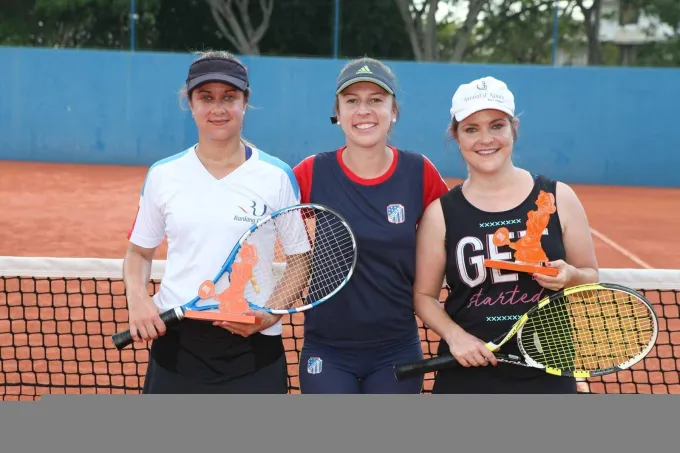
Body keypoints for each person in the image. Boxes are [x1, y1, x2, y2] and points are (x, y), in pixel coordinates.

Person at [123, 50, 300, 394]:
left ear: (245, 102)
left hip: (254, 345)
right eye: (206, 98)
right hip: (177, 346)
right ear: (190, 103)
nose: (218, 108)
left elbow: (299, 257)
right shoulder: (163, 175)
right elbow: (138, 254)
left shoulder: (276, 176)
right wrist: (138, 299)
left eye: (229, 97)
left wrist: (272, 314)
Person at [412, 76, 599, 394]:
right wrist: (456, 337)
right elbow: (424, 297)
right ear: (456, 136)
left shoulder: (558, 197)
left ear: (514, 128)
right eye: (471, 129)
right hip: (467, 373)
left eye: (496, 125)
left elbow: (591, 278)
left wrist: (569, 276)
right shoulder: (440, 214)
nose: (486, 139)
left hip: (548, 369)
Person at [292, 57, 450, 394]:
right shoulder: (309, 174)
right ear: (338, 112)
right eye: (352, 101)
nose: (364, 110)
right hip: (326, 351)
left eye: (376, 100)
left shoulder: (419, 173)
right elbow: (271, 236)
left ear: (394, 110)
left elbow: (460, 234)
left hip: (396, 350)